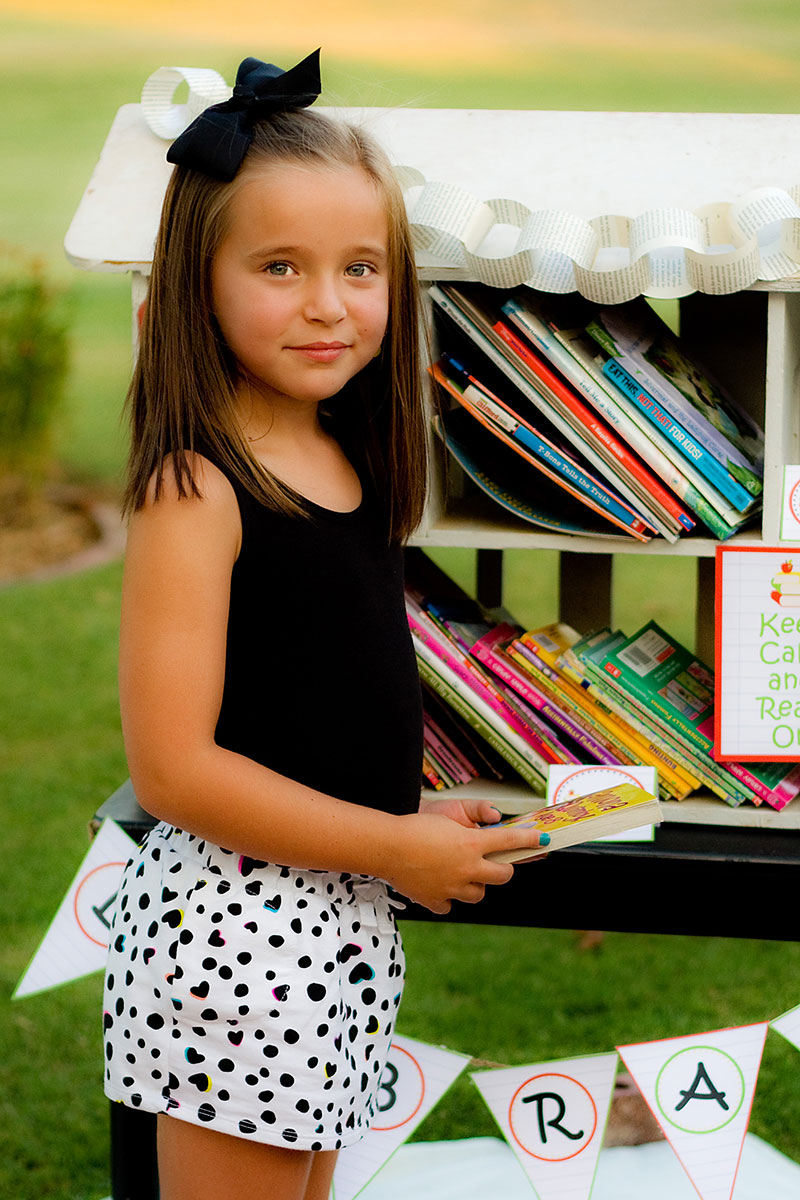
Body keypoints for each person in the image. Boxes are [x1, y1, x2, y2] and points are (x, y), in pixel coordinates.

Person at [102, 50, 547, 1200]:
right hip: (236, 942)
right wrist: (392, 848)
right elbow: (174, 769)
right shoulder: (198, 490)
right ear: (198, 279)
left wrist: (396, 812)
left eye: (359, 268)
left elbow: (305, 696)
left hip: (332, 926)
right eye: (279, 267)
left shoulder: (342, 455)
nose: (326, 304)